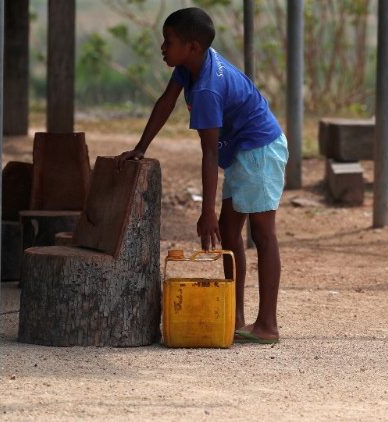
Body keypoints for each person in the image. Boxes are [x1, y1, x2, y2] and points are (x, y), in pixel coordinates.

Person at [115, 7, 287, 344]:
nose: (163, 48)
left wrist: (205, 211)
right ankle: (234, 314)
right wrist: (141, 147)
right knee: (229, 231)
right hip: (242, 152)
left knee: (263, 235)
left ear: (193, 47)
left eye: (169, 42)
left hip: (259, 151)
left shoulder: (207, 88)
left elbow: (208, 153)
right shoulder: (189, 67)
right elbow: (166, 102)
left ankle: (267, 324)